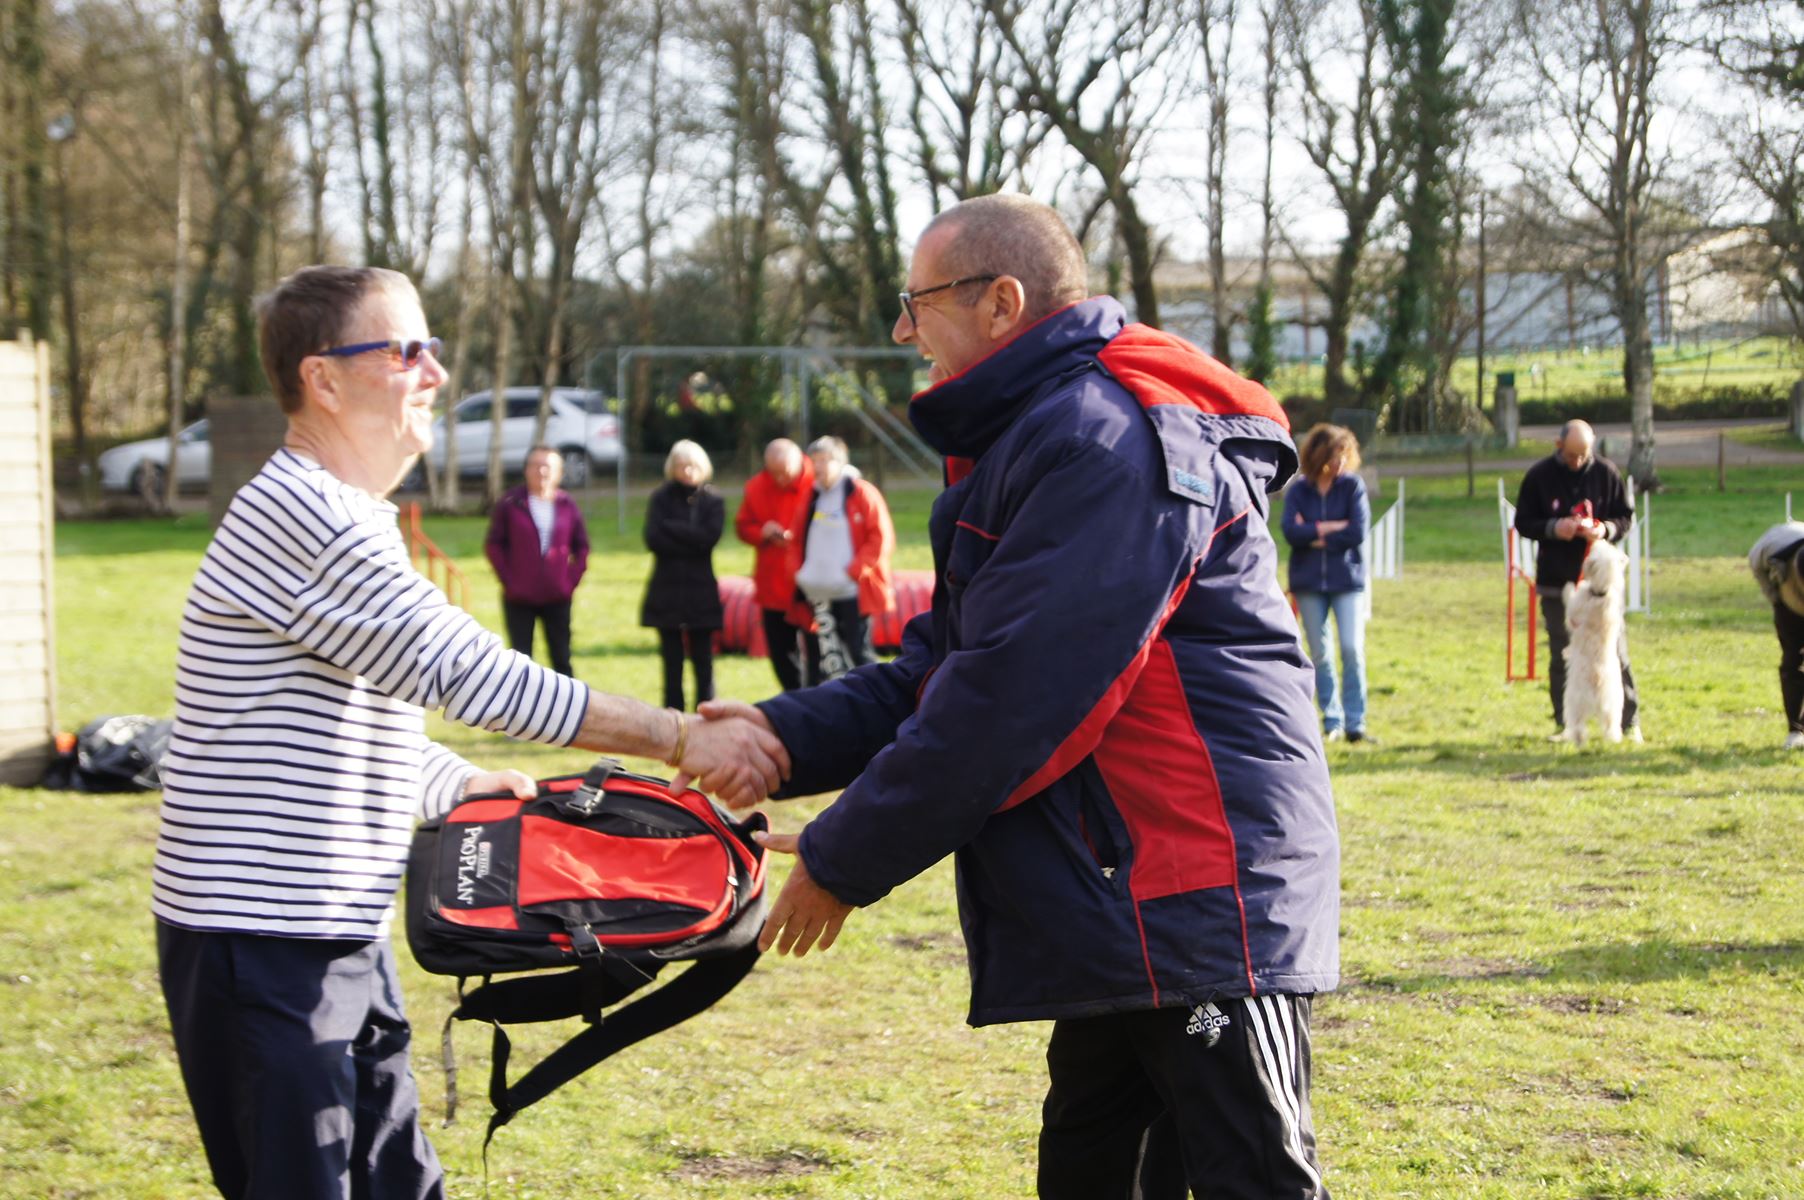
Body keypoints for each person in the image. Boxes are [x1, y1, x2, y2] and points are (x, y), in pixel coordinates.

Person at [706, 194, 1339, 1199]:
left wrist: (841, 857)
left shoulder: (1105, 442)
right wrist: (779, 734)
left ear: (1000, 302)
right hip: (1117, 899)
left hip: (1198, 905)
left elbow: (1012, 698)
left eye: (918, 303)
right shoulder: (1036, 433)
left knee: (1247, 1177)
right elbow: (943, 664)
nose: (903, 330)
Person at [150, 266, 785, 1200]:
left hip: (330, 933)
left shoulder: (344, 515)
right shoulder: (308, 515)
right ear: (323, 380)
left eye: (433, 349)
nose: (435, 373)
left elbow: (329, 728)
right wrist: (683, 739)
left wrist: (454, 785)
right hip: (264, 941)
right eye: (407, 350)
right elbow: (473, 675)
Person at [1512, 419, 1641, 740]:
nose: (1578, 461)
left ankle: (1629, 723)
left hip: (1601, 590)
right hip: (1557, 582)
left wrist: (1604, 530)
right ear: (1559, 446)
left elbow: (1625, 518)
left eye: (1584, 454)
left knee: (1617, 654)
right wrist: (1556, 528)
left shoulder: (1607, 474)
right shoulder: (1539, 476)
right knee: (1562, 654)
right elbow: (1524, 522)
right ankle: (1567, 725)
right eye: (1572, 455)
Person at [1281, 424, 1373, 743]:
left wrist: (1314, 531)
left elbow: (1357, 532)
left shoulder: (1352, 488)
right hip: (1308, 581)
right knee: (1320, 653)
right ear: (1318, 457)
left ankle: (1355, 721)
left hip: (1347, 580)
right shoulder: (1298, 491)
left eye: (1345, 456)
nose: (1340, 464)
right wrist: (1332, 527)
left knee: (1351, 648)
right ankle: (1331, 719)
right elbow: (1291, 532)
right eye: (1335, 457)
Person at [787, 435, 896, 684]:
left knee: (858, 651)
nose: (819, 467)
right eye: (814, 461)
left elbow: (879, 538)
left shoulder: (860, 493)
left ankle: (874, 698)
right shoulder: (810, 497)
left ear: (840, 462)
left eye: (825, 460)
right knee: (819, 654)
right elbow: (795, 539)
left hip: (851, 590)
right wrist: (798, 573)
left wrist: (853, 572)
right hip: (817, 590)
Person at [484, 445, 589, 676]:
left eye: (547, 466)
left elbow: (581, 546)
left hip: (557, 596)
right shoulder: (511, 503)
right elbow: (494, 544)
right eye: (535, 465)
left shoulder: (567, 505)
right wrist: (509, 579)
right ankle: (521, 711)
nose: (541, 472)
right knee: (521, 663)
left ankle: (565, 710)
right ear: (526, 470)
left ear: (558, 472)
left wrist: (570, 580)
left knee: (562, 659)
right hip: (519, 597)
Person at [642, 440, 726, 711]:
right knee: (671, 660)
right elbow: (653, 539)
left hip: (701, 590)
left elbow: (708, 538)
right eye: (682, 466)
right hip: (667, 589)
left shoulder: (713, 501)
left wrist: (673, 528)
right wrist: (691, 536)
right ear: (672, 468)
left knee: (703, 660)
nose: (688, 471)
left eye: (693, 465)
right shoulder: (660, 498)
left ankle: (707, 712)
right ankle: (672, 715)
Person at [734, 438, 815, 691]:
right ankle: (794, 697)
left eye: (785, 472)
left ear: (799, 462)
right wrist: (762, 532)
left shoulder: (819, 484)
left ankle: (820, 697)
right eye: (774, 473)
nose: (780, 479)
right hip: (773, 584)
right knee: (781, 650)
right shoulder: (756, 487)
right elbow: (742, 526)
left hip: (812, 583)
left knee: (820, 649)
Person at [1749, 521, 1804, 750]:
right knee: (1793, 660)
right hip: (1786, 602)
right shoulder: (1770, 549)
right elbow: (1755, 565)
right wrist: (1775, 598)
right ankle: (1796, 730)